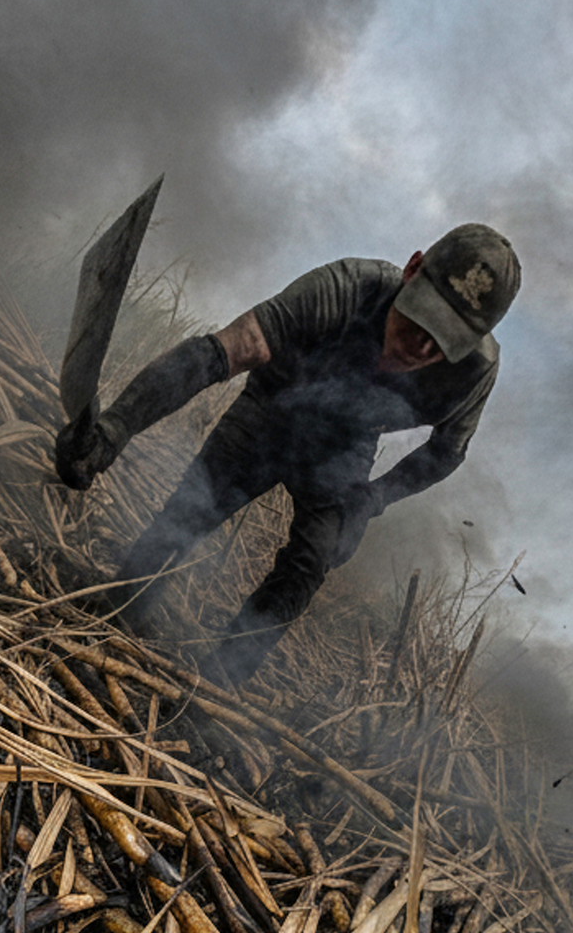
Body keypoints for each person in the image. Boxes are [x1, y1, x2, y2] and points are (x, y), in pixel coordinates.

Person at [55, 223, 521, 682]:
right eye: (423, 319)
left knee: (312, 560)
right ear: (413, 270)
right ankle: (117, 609)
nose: (421, 346)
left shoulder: (474, 372)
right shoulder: (348, 288)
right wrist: (112, 431)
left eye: (445, 340)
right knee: (191, 511)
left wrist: (373, 498)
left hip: (345, 447)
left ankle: (218, 683)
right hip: (274, 404)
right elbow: (224, 351)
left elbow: (446, 452)